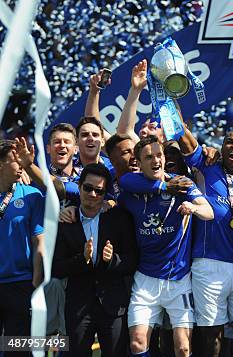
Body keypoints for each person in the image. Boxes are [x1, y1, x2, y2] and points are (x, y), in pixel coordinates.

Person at [119, 136, 215, 357]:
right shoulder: (132, 189)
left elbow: (208, 213)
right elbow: (123, 182)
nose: (156, 160)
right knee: (137, 343)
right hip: (145, 280)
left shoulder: (182, 184)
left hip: (178, 280)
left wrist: (192, 207)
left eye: (159, 155)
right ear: (139, 162)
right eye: (149, 157)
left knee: (182, 347)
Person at [52, 163, 138, 356]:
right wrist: (82, 260)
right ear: (79, 187)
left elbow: (132, 260)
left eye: (99, 191)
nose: (92, 194)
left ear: (105, 193)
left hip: (113, 305)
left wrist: (112, 260)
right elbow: (56, 268)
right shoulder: (66, 222)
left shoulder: (119, 219)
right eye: (88, 188)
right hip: (78, 306)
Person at [0, 139, 45, 357]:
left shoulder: (31, 195)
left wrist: (35, 282)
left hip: (20, 285)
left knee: (16, 349)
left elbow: (39, 241)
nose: (21, 165)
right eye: (16, 160)